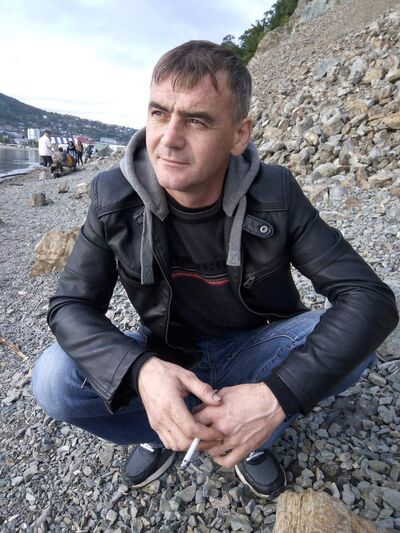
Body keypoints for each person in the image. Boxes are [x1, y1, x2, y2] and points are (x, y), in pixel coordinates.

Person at [32, 41, 398, 499]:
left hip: (257, 351)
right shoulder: (113, 196)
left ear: (239, 135)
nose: (169, 138)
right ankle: (168, 425)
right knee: (53, 379)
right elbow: (70, 305)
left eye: (197, 120)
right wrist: (141, 371)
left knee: (356, 346)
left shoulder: (276, 193)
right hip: (167, 354)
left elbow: (370, 298)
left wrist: (275, 396)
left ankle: (252, 427)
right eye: (159, 113)